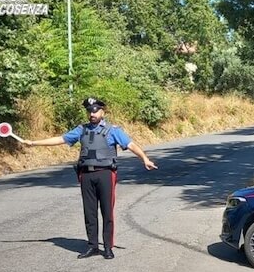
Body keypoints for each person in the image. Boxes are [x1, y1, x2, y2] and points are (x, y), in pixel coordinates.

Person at [24, 97, 157, 260]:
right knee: (89, 212)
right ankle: (92, 246)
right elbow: (61, 139)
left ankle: (108, 247)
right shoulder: (81, 130)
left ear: (102, 111)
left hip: (106, 174)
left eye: (95, 110)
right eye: (89, 111)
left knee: (107, 211)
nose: (92, 114)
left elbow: (130, 145)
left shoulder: (113, 130)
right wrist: (34, 143)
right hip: (86, 174)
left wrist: (144, 158)